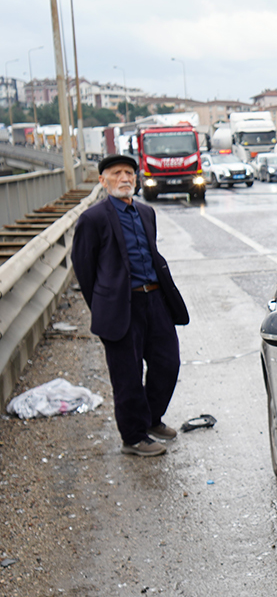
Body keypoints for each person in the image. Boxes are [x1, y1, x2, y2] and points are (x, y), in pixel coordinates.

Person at [70, 154, 189, 457]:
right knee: (127, 374)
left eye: (129, 173)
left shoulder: (146, 212)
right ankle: (133, 437)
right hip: (122, 305)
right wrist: (102, 305)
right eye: (116, 173)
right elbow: (84, 267)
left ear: (136, 179)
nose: (124, 178)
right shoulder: (93, 218)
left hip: (155, 299)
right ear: (103, 180)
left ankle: (150, 419)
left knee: (167, 363)